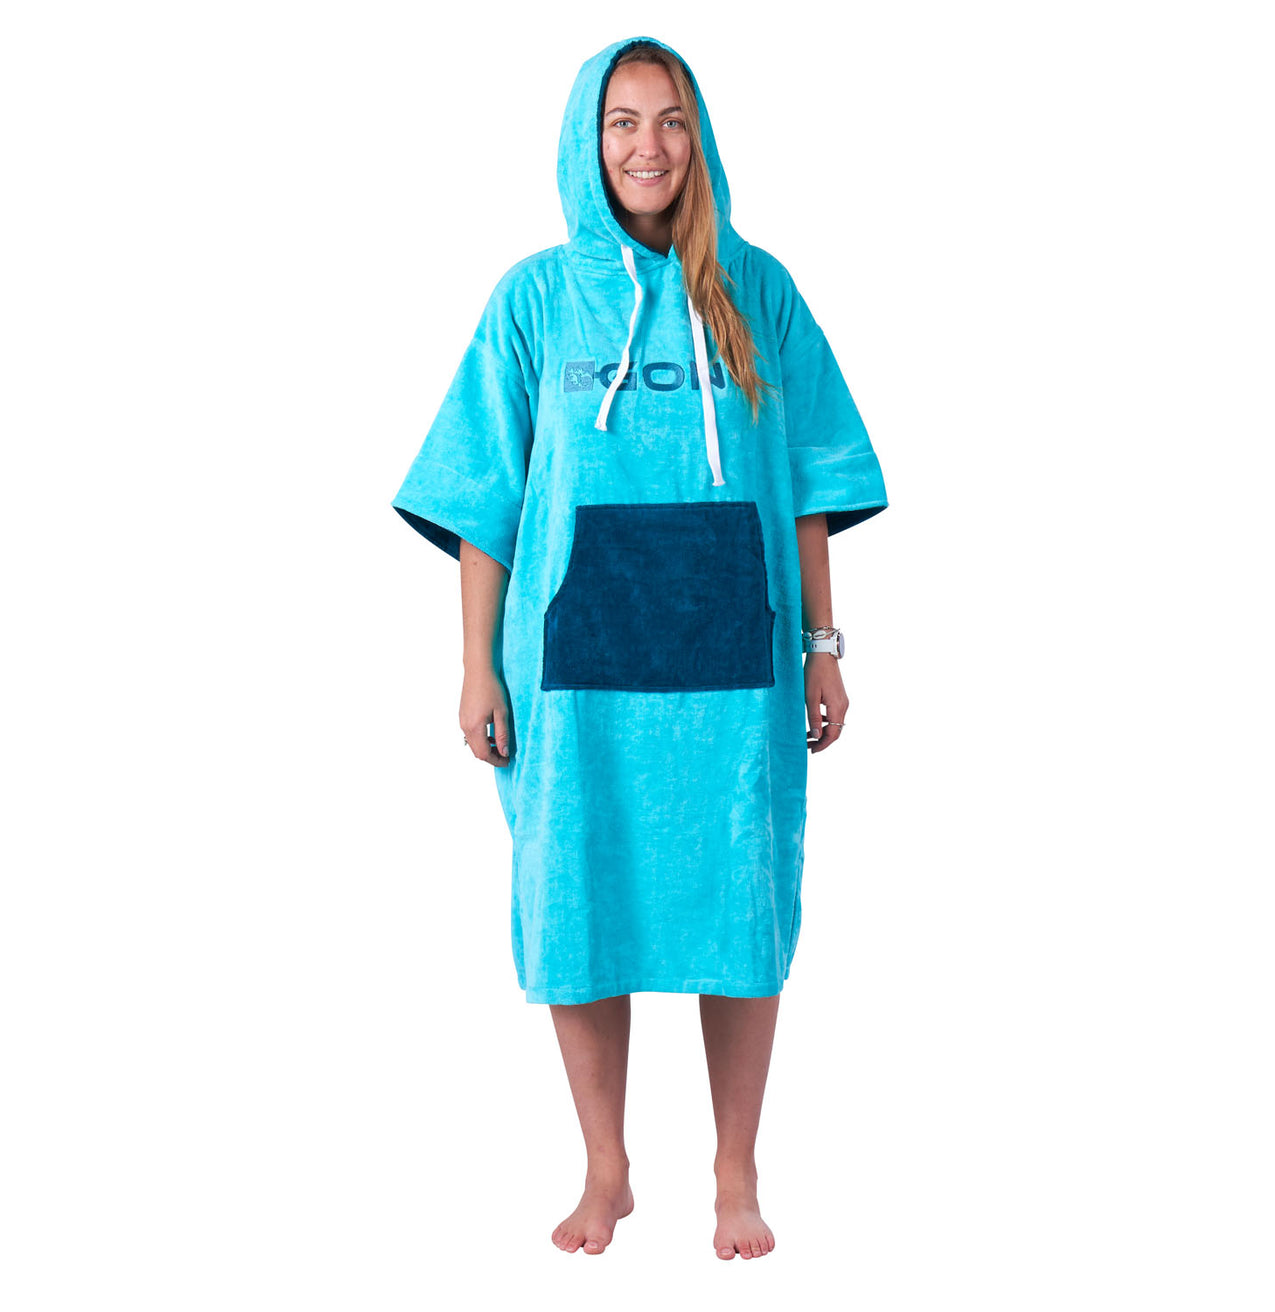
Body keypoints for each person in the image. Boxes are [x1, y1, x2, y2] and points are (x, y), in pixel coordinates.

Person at [391, 36, 888, 1261]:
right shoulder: (535, 300)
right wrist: (475, 663)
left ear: (697, 136)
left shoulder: (757, 291)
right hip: (575, 661)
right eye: (622, 121)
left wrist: (824, 645)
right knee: (580, 898)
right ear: (586, 138)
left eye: (670, 120)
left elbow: (811, 483)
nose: (648, 145)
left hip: (737, 657)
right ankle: (605, 1167)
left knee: (741, 899)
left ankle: (734, 1170)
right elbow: (484, 497)